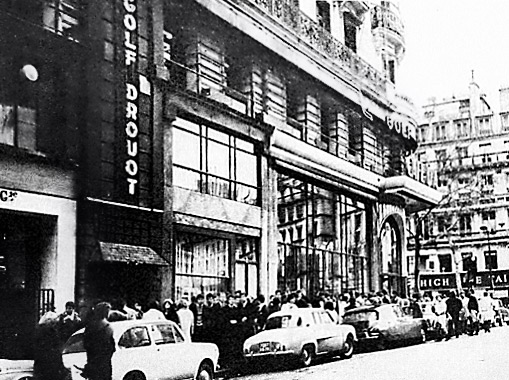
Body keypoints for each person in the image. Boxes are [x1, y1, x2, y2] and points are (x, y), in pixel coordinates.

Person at [83, 302, 115, 380]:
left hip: (92, 362)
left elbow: (86, 344)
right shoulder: (107, 327)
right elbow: (111, 347)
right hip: (104, 364)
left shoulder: (90, 326)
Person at [34, 311, 68, 380]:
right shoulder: (52, 334)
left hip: (41, 368)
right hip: (51, 368)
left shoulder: (39, 332)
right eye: (54, 322)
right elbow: (55, 354)